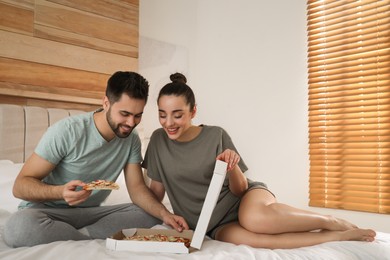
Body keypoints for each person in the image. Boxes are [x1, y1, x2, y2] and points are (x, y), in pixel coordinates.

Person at [141, 72, 377, 249]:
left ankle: (329, 221)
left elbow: (240, 188)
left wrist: (231, 165)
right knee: (257, 241)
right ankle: (336, 236)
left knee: (254, 220)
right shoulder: (159, 142)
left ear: (193, 112)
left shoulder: (215, 135)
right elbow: (157, 194)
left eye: (177, 114)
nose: (168, 122)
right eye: (162, 114)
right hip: (211, 224)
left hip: (244, 199)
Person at [3, 71, 187, 248]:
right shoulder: (67, 131)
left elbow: (137, 189)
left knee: (150, 214)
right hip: (46, 213)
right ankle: (88, 237)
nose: (131, 123)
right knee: (17, 228)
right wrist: (60, 192)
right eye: (124, 114)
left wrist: (165, 214)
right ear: (106, 103)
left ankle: (80, 236)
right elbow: (20, 186)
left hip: (91, 213)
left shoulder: (131, 139)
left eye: (137, 115)